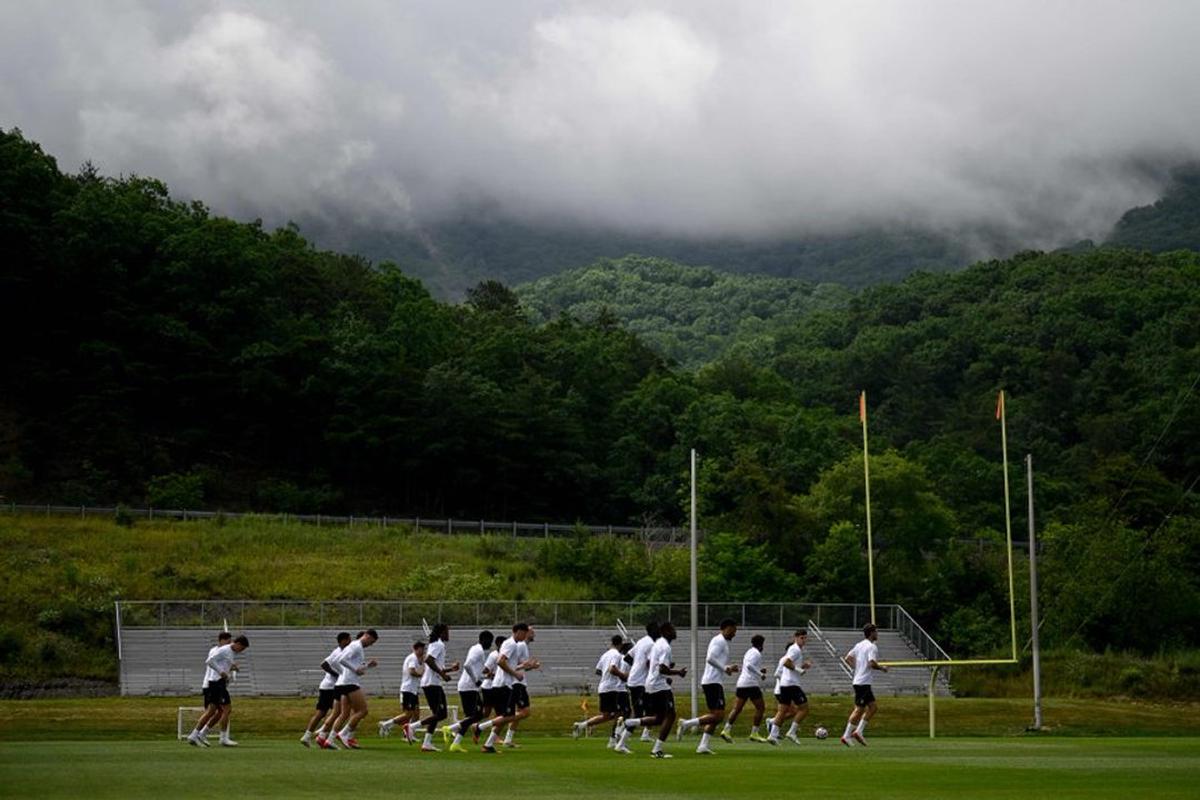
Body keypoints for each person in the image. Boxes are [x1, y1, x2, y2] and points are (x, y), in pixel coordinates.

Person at [616, 621, 686, 758]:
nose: (675, 631)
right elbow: (660, 667)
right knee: (669, 715)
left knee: (657, 717)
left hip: (645, 682)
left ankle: (629, 725)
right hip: (648, 683)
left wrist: (637, 669)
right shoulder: (660, 645)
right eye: (672, 629)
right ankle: (652, 748)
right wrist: (676, 672)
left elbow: (629, 657)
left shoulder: (647, 642)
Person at [676, 619, 739, 754]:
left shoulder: (722, 642)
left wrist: (727, 668)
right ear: (726, 628)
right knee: (719, 716)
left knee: (715, 716)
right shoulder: (719, 641)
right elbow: (710, 658)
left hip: (714, 681)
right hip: (712, 682)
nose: (734, 634)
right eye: (733, 630)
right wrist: (725, 668)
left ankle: (703, 745)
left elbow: (716, 661)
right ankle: (686, 724)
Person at [477, 622, 532, 753]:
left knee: (505, 716)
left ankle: (488, 745)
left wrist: (524, 666)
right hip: (503, 684)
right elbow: (500, 661)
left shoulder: (512, 644)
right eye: (524, 633)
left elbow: (509, 664)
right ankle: (480, 727)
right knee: (510, 716)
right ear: (518, 631)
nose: (525, 636)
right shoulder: (511, 643)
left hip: (505, 684)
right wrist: (515, 674)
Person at [187, 633, 249, 747]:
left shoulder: (230, 652)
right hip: (216, 683)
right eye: (242, 648)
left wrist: (231, 668)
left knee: (216, 711)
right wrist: (221, 672)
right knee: (225, 709)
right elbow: (209, 661)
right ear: (238, 644)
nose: (242, 651)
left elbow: (223, 663)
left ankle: (196, 734)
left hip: (219, 683)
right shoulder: (224, 650)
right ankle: (222, 738)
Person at [573, 635, 630, 742]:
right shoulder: (616, 655)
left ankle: (581, 725)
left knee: (607, 716)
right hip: (613, 688)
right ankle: (614, 740)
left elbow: (598, 671)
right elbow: (612, 669)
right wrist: (622, 675)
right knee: (621, 713)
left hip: (603, 687)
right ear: (621, 644)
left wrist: (606, 675)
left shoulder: (605, 655)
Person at [328, 629, 379, 749]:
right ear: (367, 636)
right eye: (371, 642)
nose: (370, 645)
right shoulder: (356, 646)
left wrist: (367, 666)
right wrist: (353, 670)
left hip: (345, 682)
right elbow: (341, 660)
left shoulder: (355, 646)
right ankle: (343, 734)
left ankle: (330, 740)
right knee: (362, 711)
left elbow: (338, 661)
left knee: (345, 713)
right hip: (350, 683)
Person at [444, 630, 494, 752]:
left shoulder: (477, 650)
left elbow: (476, 670)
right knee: (475, 715)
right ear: (484, 640)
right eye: (490, 642)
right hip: (468, 687)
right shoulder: (478, 650)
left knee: (473, 716)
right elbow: (467, 665)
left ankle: (456, 744)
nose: (490, 644)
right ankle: (450, 729)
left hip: (470, 687)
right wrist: (476, 680)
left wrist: (486, 677)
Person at [842, 623, 887, 746]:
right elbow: (872, 663)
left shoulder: (859, 645)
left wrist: (856, 669)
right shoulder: (871, 647)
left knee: (873, 708)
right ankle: (847, 735)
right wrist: (882, 668)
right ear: (871, 633)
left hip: (860, 681)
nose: (877, 634)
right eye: (876, 632)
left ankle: (859, 731)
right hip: (863, 682)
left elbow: (847, 658)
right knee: (859, 709)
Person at [303, 631, 350, 748]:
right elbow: (324, 664)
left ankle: (307, 736)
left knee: (322, 713)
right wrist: (337, 675)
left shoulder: (338, 651)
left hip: (326, 686)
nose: (350, 642)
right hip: (331, 687)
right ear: (343, 641)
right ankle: (323, 735)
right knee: (338, 713)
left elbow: (325, 663)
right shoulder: (339, 652)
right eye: (348, 639)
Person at [418, 623, 460, 752]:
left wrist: (449, 670)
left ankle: (427, 743)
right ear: (442, 632)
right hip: (432, 683)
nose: (449, 634)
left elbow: (434, 665)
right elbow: (429, 661)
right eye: (447, 631)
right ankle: (412, 727)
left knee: (437, 714)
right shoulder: (438, 644)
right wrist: (443, 674)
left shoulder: (435, 644)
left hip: (430, 682)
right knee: (441, 714)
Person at [768, 630, 812, 745]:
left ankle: (773, 735)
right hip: (792, 684)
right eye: (802, 638)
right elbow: (786, 663)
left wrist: (802, 667)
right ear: (796, 638)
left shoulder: (795, 650)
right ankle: (792, 732)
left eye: (805, 638)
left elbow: (790, 665)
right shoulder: (795, 649)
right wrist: (799, 670)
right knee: (804, 709)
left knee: (782, 711)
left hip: (785, 684)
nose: (804, 640)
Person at [722, 634, 768, 742]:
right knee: (761, 708)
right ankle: (754, 733)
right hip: (751, 684)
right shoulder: (756, 653)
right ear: (761, 644)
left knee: (737, 709)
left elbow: (748, 667)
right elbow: (749, 666)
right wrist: (760, 674)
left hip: (742, 683)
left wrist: (759, 671)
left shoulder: (749, 652)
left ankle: (726, 730)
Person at [378, 640, 425, 743]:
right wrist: (421, 674)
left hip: (413, 690)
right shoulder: (412, 658)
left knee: (416, 714)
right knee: (408, 714)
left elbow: (419, 664)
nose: (423, 651)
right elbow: (412, 671)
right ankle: (386, 724)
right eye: (421, 649)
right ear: (417, 649)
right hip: (408, 689)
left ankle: (408, 734)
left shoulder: (416, 658)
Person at [623, 621, 659, 744]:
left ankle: (645, 734)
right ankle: (621, 738)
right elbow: (650, 663)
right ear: (654, 631)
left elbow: (627, 657)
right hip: (640, 682)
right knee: (639, 714)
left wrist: (637, 667)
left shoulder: (642, 641)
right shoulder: (651, 644)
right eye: (658, 629)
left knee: (652, 709)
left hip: (635, 680)